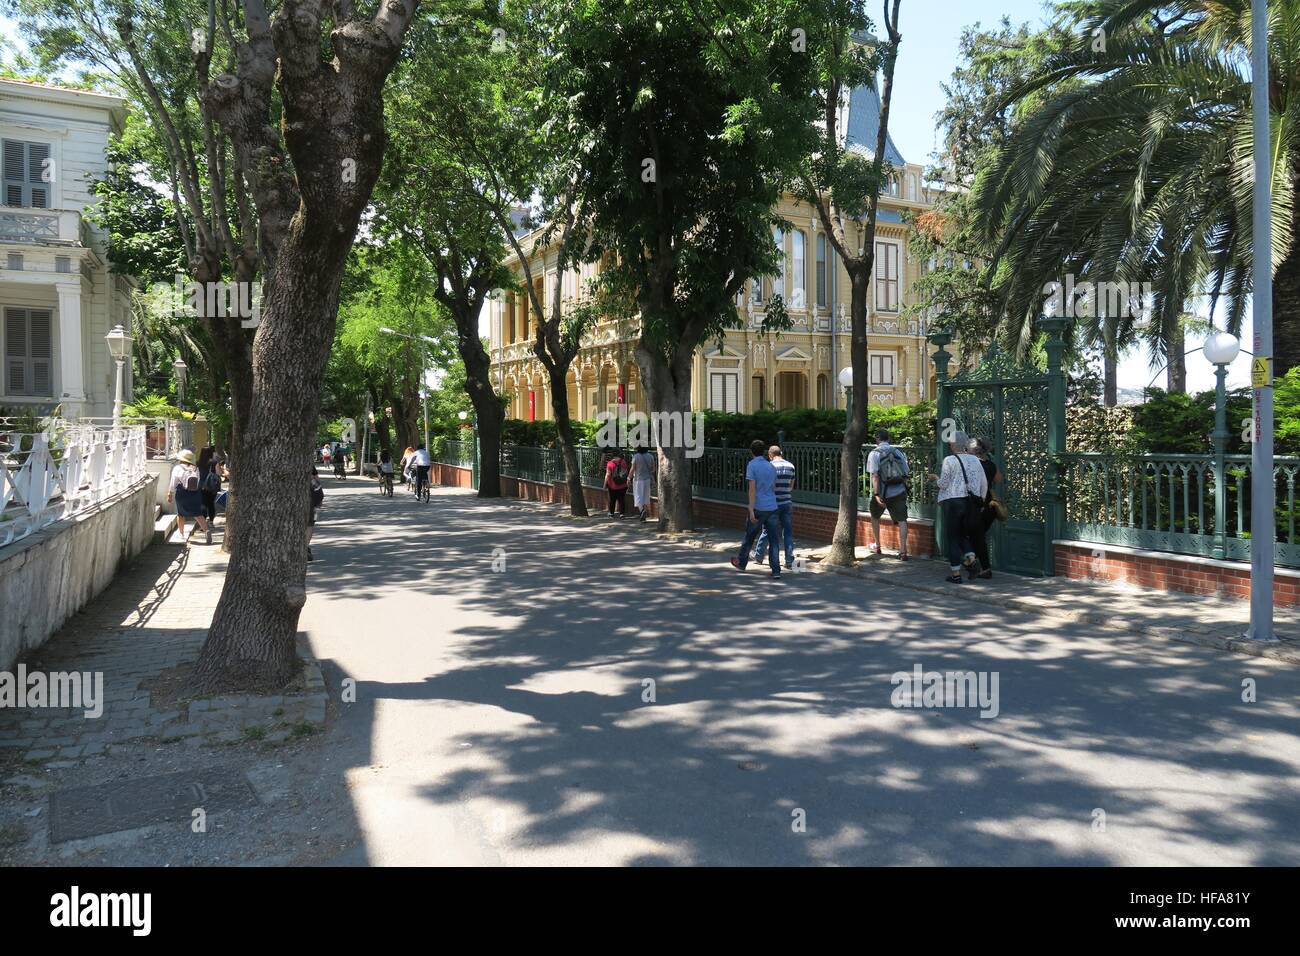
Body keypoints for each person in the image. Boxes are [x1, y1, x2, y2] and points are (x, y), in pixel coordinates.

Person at [929, 431, 987, 583]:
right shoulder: (976, 460)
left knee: (953, 538)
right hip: (970, 502)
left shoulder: (949, 460)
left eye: (950, 442)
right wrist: (981, 501)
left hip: (953, 502)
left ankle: (956, 575)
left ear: (955, 444)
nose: (949, 444)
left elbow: (943, 484)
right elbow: (984, 483)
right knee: (962, 534)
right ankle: (971, 559)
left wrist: (935, 478)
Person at [730, 439, 782, 578]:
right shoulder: (771, 466)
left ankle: (741, 562)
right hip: (772, 506)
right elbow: (773, 486)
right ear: (764, 451)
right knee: (774, 540)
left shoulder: (752, 465)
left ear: (751, 451)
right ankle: (776, 570)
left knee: (750, 536)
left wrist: (751, 508)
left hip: (758, 506)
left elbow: (752, 489)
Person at [865, 429, 911, 561]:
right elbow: (905, 472)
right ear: (888, 438)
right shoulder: (897, 451)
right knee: (902, 521)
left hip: (883, 493)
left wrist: (877, 494)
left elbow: (874, 476)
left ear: (877, 439)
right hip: (899, 490)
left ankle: (877, 545)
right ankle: (903, 552)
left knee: (875, 516)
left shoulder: (874, 454)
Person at [753, 445, 796, 569]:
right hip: (786, 503)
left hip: (772, 504)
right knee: (787, 532)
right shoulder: (791, 466)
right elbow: (791, 487)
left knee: (767, 530)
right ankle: (789, 560)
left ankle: (759, 556)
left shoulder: (769, 467)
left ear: (770, 455)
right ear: (780, 453)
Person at [967, 437, 1001, 579]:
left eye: (967, 449)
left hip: (978, 505)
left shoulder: (973, 465)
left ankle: (985, 568)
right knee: (976, 536)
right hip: (990, 506)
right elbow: (999, 480)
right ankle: (971, 562)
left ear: (974, 451)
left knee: (977, 537)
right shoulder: (992, 465)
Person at [168, 449, 212, 545]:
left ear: (181, 459)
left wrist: (170, 493)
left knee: (181, 514)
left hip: (182, 493)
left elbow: (173, 482)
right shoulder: (195, 468)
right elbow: (198, 480)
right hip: (195, 494)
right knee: (198, 513)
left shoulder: (177, 468)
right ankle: (206, 530)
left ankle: (181, 533)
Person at [629, 445, 656, 521]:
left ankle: (642, 511)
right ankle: (643, 514)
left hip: (638, 479)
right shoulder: (650, 456)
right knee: (645, 497)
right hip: (647, 479)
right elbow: (653, 469)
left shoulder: (636, 456)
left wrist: (628, 477)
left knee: (638, 496)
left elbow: (633, 468)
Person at [197, 447, 221, 527]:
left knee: (203, 503)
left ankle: (203, 524)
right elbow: (218, 474)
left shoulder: (198, 463)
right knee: (211, 503)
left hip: (201, 485)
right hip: (212, 486)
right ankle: (211, 522)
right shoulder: (214, 463)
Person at [604, 449, 630, 517]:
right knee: (621, 499)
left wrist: (604, 484)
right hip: (623, 484)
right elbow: (626, 472)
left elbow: (608, 475)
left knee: (612, 499)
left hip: (612, 485)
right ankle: (622, 513)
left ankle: (611, 513)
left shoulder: (609, 463)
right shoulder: (623, 462)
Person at [307, 467, 324, 561]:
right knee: (310, 525)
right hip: (313, 503)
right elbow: (318, 485)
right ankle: (305, 547)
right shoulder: (310, 466)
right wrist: (320, 501)